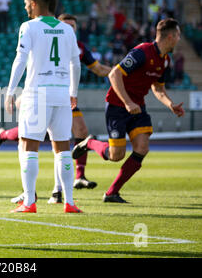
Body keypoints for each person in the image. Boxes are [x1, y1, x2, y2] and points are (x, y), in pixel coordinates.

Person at [0, 12, 112, 204]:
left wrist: (119, 72)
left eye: (73, 26)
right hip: (43, 93)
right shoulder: (43, 34)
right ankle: (6, 138)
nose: (70, 29)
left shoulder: (77, 46)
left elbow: (96, 68)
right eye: (67, 25)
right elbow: (30, 63)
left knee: (73, 133)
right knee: (36, 138)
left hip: (64, 95)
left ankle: (70, 181)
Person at [72, 18, 185, 203]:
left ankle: (111, 193)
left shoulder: (165, 61)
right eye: (178, 35)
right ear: (171, 36)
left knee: (142, 147)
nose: (179, 39)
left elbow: (158, 89)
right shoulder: (142, 52)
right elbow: (114, 74)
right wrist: (127, 102)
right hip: (118, 105)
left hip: (137, 108)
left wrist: (170, 104)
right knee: (116, 155)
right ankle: (90, 143)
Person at [4, 0, 82, 214]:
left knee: (29, 146)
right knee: (63, 148)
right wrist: (73, 92)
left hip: (37, 93)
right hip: (61, 93)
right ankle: (69, 202)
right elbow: (75, 64)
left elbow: (20, 59)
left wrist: (10, 91)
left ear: (35, 3)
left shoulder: (28, 27)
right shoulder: (67, 30)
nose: (26, 7)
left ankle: (29, 202)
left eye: (27, 3)